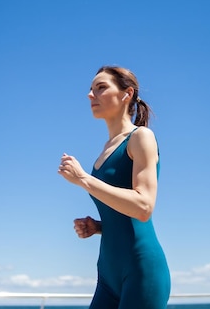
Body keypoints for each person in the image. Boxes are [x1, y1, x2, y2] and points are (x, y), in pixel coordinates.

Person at [58, 65, 171, 309]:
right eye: (90, 89)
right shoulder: (105, 150)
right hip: (107, 275)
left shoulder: (141, 137)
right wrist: (98, 226)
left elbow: (143, 206)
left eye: (100, 87)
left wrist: (84, 179)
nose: (91, 95)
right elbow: (122, 214)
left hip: (141, 270)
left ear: (126, 94)